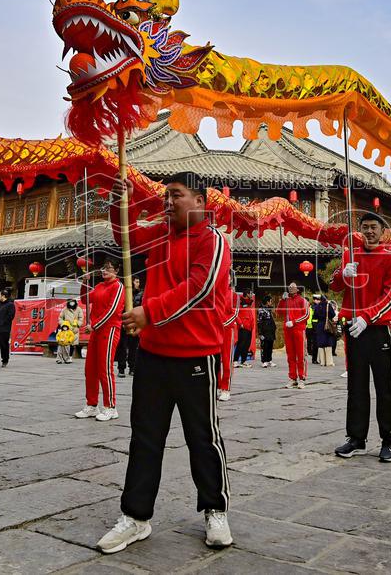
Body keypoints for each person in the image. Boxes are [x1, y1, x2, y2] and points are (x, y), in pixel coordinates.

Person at [97, 171, 233, 553]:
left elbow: (200, 288)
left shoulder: (214, 240)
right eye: (165, 198)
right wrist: (117, 203)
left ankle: (215, 509)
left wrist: (149, 312)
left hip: (195, 354)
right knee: (145, 438)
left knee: (203, 438)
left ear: (201, 202)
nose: (168, 204)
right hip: (154, 355)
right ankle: (135, 516)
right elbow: (124, 240)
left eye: (176, 196)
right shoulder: (159, 234)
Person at [331, 213, 391, 462]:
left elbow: (390, 295)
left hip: (378, 329)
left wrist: (367, 317)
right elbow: (334, 285)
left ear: (383, 231)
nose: (369, 231)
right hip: (354, 329)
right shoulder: (350, 256)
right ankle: (356, 438)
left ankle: (388, 440)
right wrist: (343, 275)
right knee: (356, 387)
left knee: (384, 388)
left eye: (374, 227)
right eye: (365, 227)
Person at [75, 258, 125, 421]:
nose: (104, 270)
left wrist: (95, 325)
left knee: (105, 368)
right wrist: (84, 283)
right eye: (103, 267)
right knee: (90, 369)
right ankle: (92, 405)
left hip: (109, 330)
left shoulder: (118, 287)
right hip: (96, 330)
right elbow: (85, 300)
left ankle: (111, 407)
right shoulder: (99, 286)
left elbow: (113, 310)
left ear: (116, 271)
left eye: (109, 268)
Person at [276, 283, 309, 388]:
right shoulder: (286, 301)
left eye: (293, 287)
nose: (291, 288)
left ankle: (301, 378)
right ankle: (292, 377)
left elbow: (306, 315)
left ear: (297, 289)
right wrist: (282, 300)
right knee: (290, 355)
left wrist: (294, 322)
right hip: (288, 330)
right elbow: (279, 312)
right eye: (289, 287)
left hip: (299, 329)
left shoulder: (303, 300)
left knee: (301, 355)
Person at [218, 278, 239, 402]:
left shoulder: (234, 295)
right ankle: (218, 386)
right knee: (215, 361)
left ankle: (226, 388)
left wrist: (224, 324)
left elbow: (235, 314)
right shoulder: (215, 293)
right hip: (215, 330)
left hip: (227, 330)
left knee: (226, 360)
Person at [117, 277, 142, 377]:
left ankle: (132, 367)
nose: (138, 283)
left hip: (135, 323)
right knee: (122, 347)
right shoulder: (124, 294)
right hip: (124, 323)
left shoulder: (141, 294)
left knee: (134, 347)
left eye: (138, 281)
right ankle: (121, 368)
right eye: (136, 281)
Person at [313, 294, 337, 366]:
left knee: (321, 343)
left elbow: (315, 316)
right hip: (327, 325)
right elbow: (333, 314)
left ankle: (322, 362)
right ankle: (329, 362)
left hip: (319, 325)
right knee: (328, 343)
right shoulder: (328, 305)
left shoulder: (317, 306)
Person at [234, 293, 255, 367]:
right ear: (247, 294)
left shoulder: (249, 303)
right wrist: (240, 323)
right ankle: (235, 361)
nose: (252, 294)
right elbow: (235, 314)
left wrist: (252, 325)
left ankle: (243, 361)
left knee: (246, 345)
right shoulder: (240, 302)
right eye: (250, 293)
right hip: (243, 327)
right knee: (241, 344)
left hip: (249, 327)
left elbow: (250, 315)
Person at [256, 295, 276, 367]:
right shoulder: (261, 309)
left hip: (271, 330)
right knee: (265, 346)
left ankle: (269, 360)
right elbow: (259, 321)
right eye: (270, 301)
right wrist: (260, 333)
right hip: (264, 331)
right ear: (267, 302)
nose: (271, 302)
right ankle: (264, 361)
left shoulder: (270, 309)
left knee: (270, 346)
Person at [306, 296, 318, 364]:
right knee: (308, 340)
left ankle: (310, 351)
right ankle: (309, 351)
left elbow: (313, 317)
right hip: (308, 327)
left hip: (312, 326)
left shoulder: (311, 308)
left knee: (312, 340)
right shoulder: (306, 309)